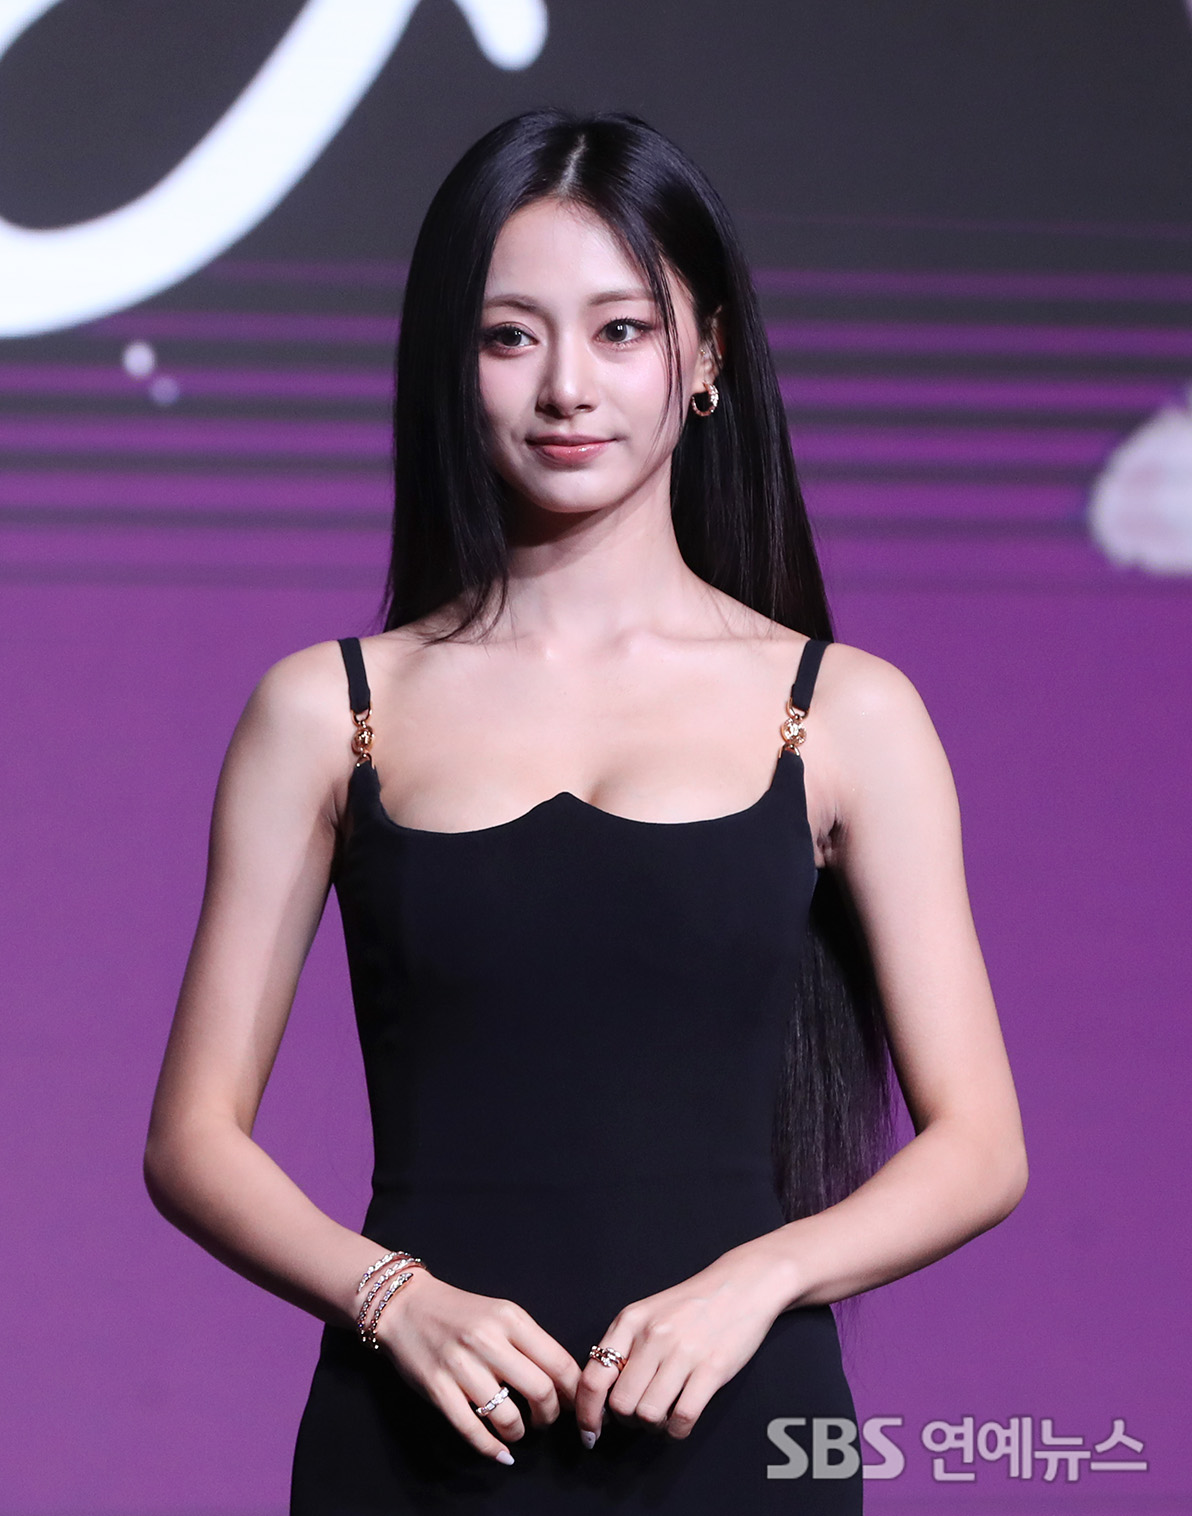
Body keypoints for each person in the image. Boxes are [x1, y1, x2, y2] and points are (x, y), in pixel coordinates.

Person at [144, 108, 1028, 1513]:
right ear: (452, 363)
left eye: (623, 331)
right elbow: (192, 1139)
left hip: (736, 1426)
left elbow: (981, 1144)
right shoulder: (330, 710)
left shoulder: (844, 711)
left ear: (708, 354)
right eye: (511, 336)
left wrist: (760, 1279)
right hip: (421, 1437)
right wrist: (390, 1299)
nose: (568, 386)